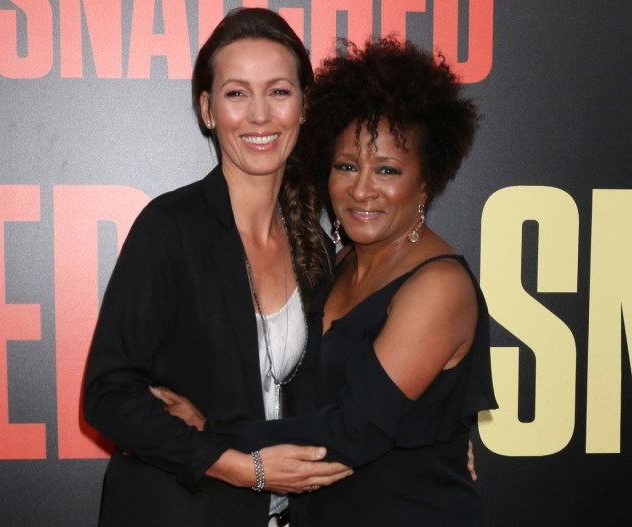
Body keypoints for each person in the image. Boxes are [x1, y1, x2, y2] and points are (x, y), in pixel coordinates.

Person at [156, 37, 498, 526]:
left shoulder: (438, 287)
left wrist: (209, 432)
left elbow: (351, 432)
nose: (361, 188)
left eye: (387, 169)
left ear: (427, 181)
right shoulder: (331, 266)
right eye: (345, 166)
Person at [82, 8, 351, 527]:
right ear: (207, 109)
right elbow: (108, 397)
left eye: (278, 91)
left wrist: (432, 441)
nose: (258, 115)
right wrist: (243, 467)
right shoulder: (169, 228)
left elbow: (338, 394)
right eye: (236, 93)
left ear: (304, 105)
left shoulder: (312, 244)